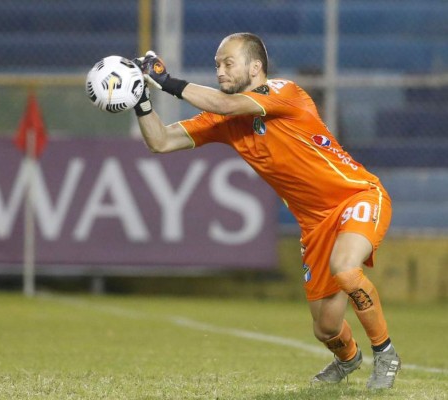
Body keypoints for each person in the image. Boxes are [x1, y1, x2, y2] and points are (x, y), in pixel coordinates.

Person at [131, 32, 401, 390]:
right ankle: (348, 357)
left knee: (345, 268)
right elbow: (161, 142)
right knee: (326, 327)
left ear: (255, 67)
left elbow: (225, 104)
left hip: (357, 196)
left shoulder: (283, 92)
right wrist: (140, 102)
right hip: (316, 225)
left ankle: (386, 354)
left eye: (228, 63)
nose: (220, 71)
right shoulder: (224, 120)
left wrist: (166, 81)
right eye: (216, 65)